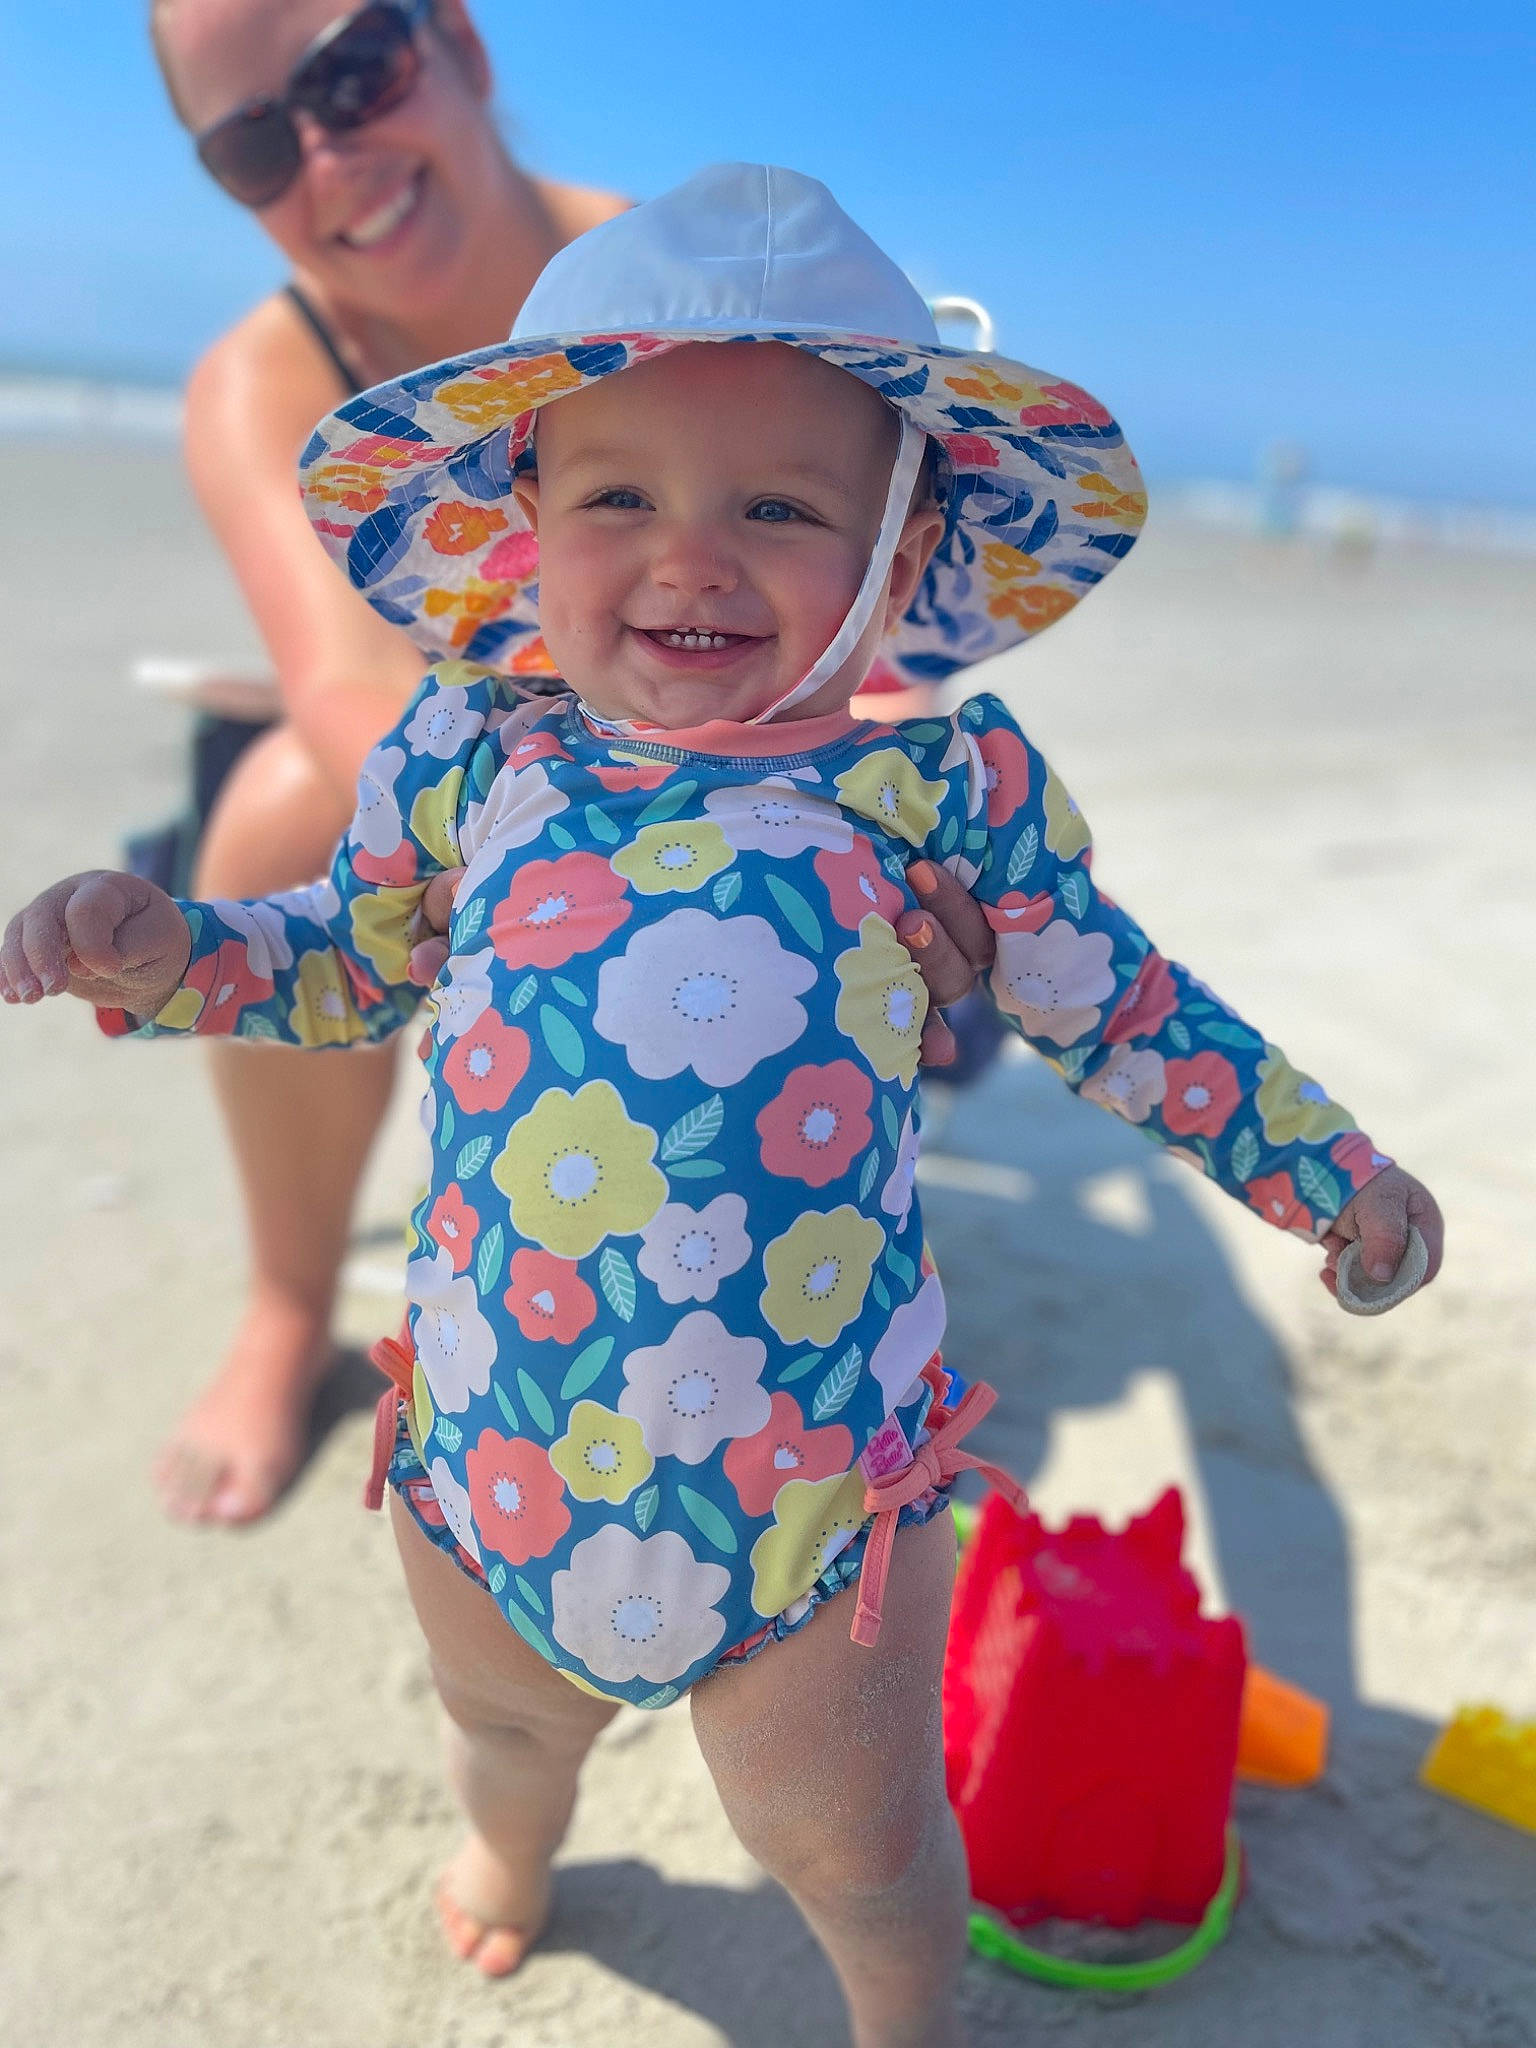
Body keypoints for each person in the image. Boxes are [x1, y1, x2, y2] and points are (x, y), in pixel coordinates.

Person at [3, 167, 1442, 2045]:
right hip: (488, 1453)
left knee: (852, 1847)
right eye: (621, 497)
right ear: (525, 523)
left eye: (779, 507)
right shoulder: (474, 747)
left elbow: (1127, 1012)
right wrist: (159, 949)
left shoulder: (939, 792)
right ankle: (516, 1856)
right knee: (502, 1732)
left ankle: (895, 2023)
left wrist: (1324, 1170)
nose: (692, 557)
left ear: (896, 548)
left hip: (808, 1505)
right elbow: (340, 965)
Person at [146, 0, 991, 1527]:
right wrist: (566, 838)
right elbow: (350, 683)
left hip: (759, 752)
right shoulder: (263, 376)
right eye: (257, 142)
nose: (330, 155)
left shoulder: (704, 277)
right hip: (455, 763)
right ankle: (287, 1303)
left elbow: (874, 616)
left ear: (457, 39)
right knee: (282, 806)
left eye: (355, 73)